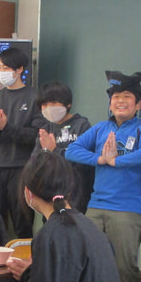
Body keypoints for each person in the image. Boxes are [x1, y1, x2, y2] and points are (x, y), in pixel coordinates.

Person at [65, 71, 141, 282]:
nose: (120, 101)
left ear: (138, 104)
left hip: (127, 209)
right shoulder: (100, 128)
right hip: (96, 206)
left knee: (124, 267)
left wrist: (117, 161)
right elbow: (71, 150)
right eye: (116, 97)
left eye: (127, 96)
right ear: (110, 103)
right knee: (88, 261)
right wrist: (100, 159)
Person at [6, 151, 121, 282]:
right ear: (68, 189)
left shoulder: (50, 234)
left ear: (28, 192)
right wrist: (37, 271)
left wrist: (28, 275)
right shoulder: (90, 226)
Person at [0, 47, 44, 239]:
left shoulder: (35, 98)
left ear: (19, 69)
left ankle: (24, 258)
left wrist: (8, 128)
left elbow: (36, 136)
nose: (1, 72)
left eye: (6, 68)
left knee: (22, 224)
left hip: (21, 169)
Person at [33, 81, 94, 213]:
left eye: (53, 102)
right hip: (51, 197)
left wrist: (55, 151)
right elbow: (36, 163)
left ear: (68, 104)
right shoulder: (45, 129)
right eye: (44, 104)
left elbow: (85, 162)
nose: (48, 108)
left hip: (78, 198)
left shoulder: (82, 126)